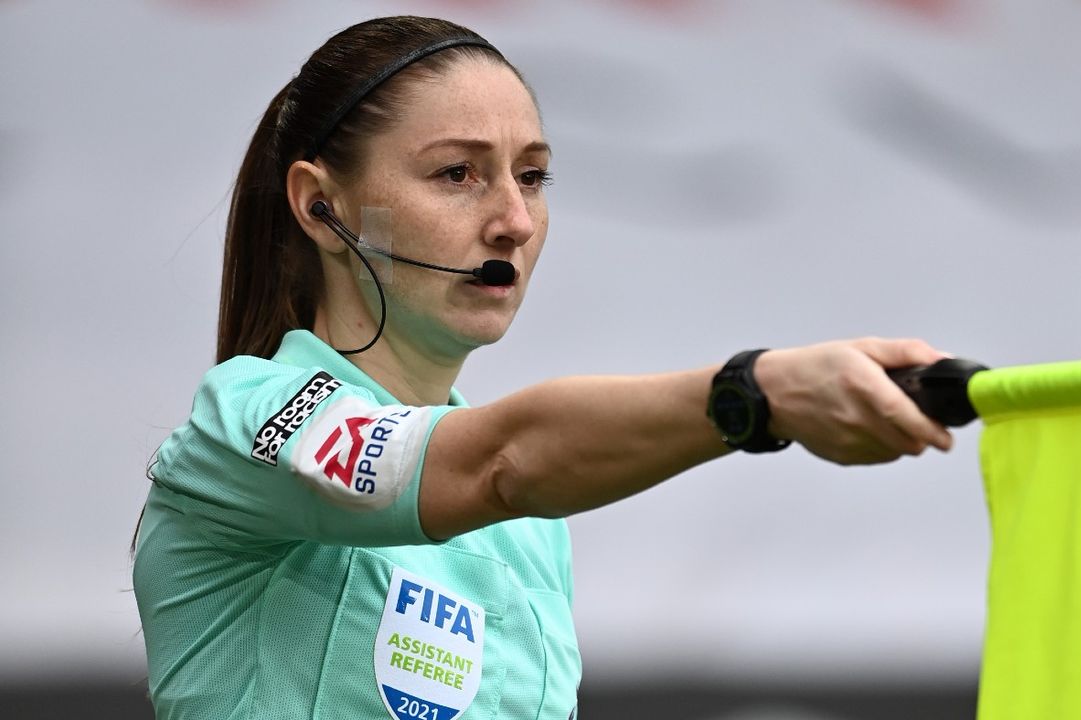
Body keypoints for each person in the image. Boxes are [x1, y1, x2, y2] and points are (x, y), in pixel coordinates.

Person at [132, 15, 954, 720]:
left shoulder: (531, 529)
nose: (515, 222)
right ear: (321, 205)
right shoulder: (244, 419)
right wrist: (757, 393)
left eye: (532, 175)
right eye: (458, 174)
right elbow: (502, 459)